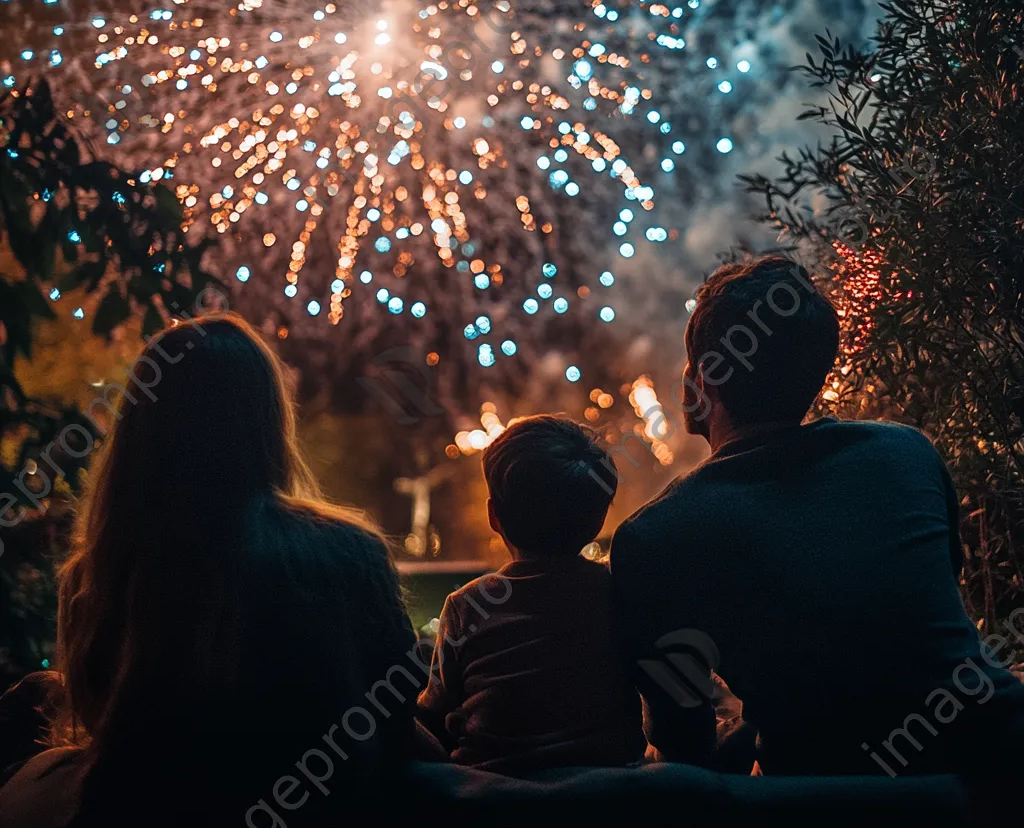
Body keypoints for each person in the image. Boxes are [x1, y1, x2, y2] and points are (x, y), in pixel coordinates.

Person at [0, 313, 424, 826]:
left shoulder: (98, 575)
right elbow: (396, 714)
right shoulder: (347, 551)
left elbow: (102, 727)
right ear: (267, 420)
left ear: (141, 428)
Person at [611, 256, 1024, 777]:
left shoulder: (653, 537)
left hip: (826, 794)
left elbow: (683, 740)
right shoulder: (904, 454)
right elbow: (913, 629)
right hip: (999, 759)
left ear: (700, 380)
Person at [419, 415, 645, 774]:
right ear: (600, 518)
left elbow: (435, 708)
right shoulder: (622, 595)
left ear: (495, 516)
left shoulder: (466, 607)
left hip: (489, 791)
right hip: (607, 792)